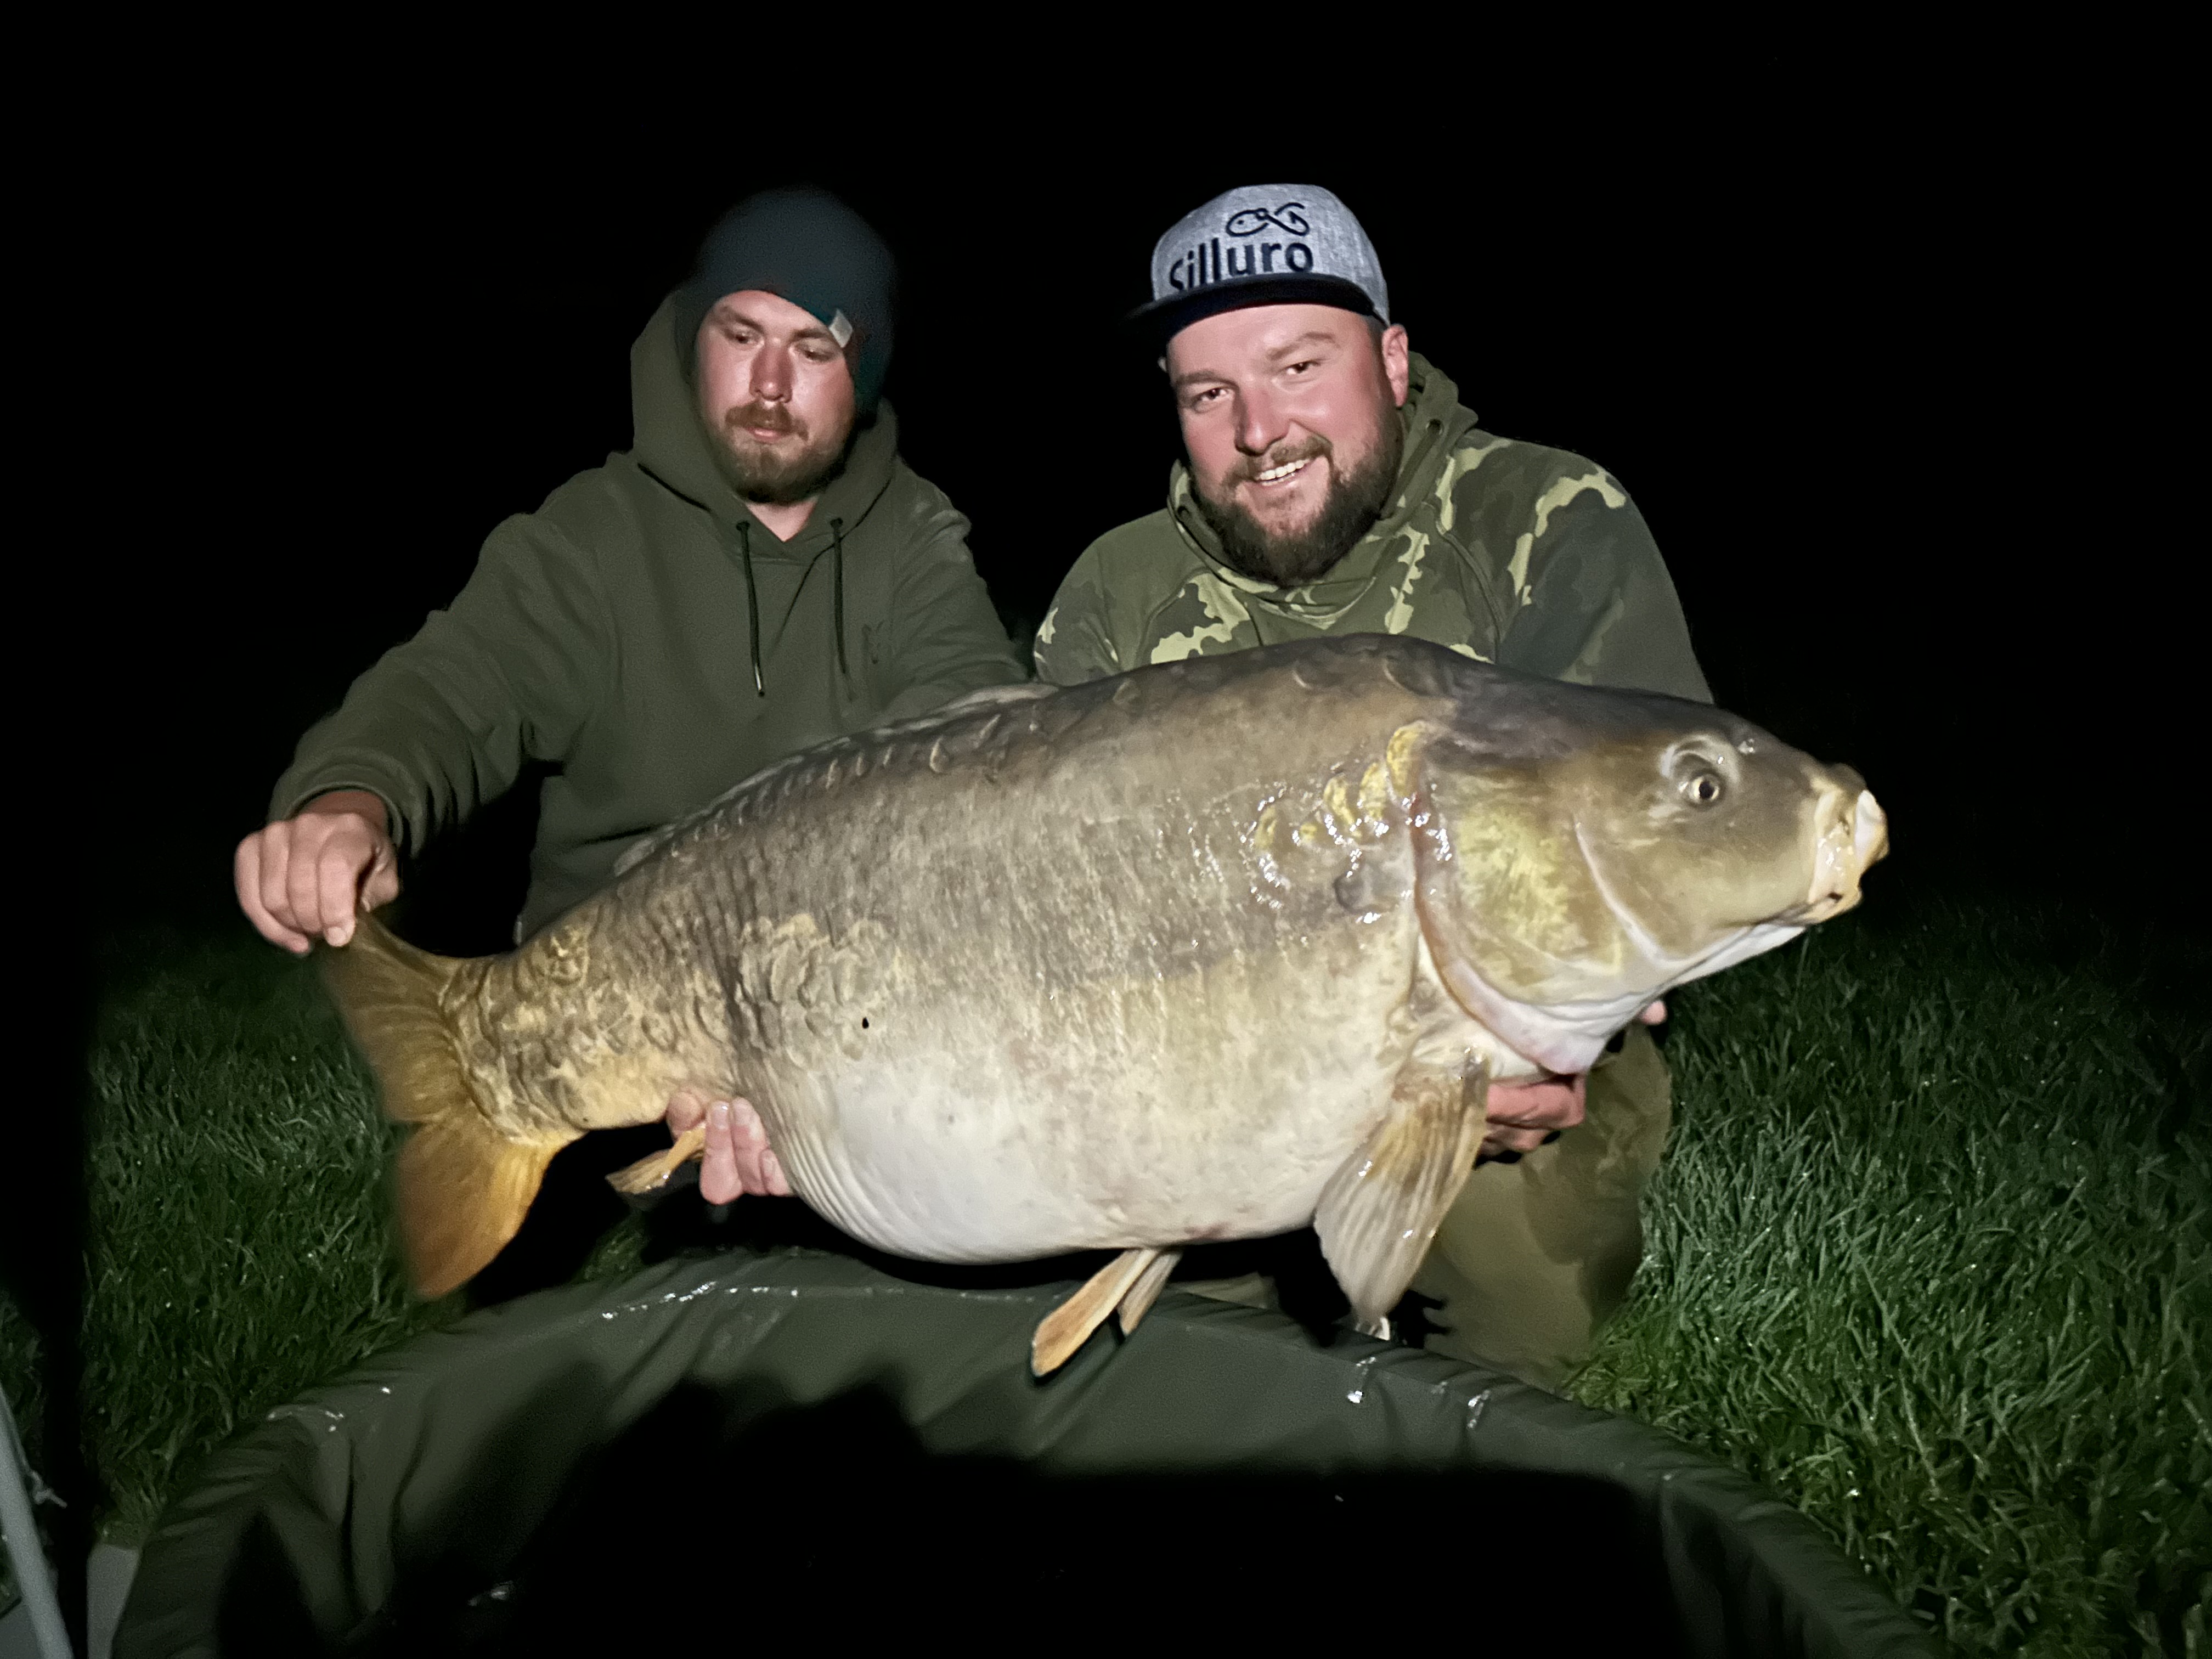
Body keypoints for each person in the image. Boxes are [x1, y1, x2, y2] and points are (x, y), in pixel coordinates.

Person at [1034, 184, 1708, 1389]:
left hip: (1478, 1056)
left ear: (1392, 361)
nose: (1261, 429)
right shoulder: (1117, 589)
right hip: (1197, 1052)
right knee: (1178, 1381)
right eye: (1209, 393)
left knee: (1517, 1339)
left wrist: (1554, 1054)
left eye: (1299, 366)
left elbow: (1648, 843)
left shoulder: (1541, 519)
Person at [236, 188, 1026, 1201]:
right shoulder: (592, 538)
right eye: (741, 335)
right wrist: (351, 800)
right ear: (696, 341)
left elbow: (975, 735)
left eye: (813, 349)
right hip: (607, 1006)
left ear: (861, 375)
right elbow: (454, 688)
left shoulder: (913, 540)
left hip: (834, 993)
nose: (770, 383)